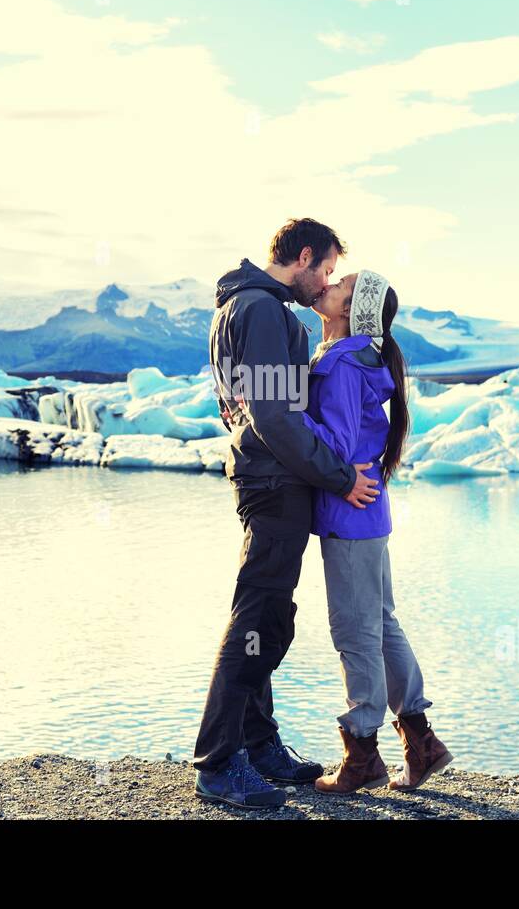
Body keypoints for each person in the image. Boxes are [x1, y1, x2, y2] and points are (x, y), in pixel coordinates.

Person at [192, 218, 380, 810]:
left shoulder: (239, 306)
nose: (325, 281)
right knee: (260, 615)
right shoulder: (264, 311)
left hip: (268, 476)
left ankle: (258, 743)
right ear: (304, 256)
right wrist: (339, 474)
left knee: (267, 612)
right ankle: (218, 763)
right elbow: (274, 416)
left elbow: (248, 408)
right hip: (276, 482)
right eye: (326, 270)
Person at [299, 268, 453, 794]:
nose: (329, 285)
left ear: (352, 309)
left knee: (354, 631)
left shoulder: (343, 364)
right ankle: (421, 742)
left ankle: (363, 753)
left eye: (340, 284)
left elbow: (337, 447)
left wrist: (283, 411)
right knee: (380, 624)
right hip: (366, 514)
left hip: (349, 513)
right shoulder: (352, 356)